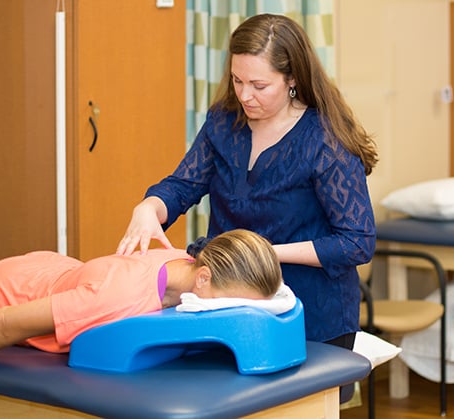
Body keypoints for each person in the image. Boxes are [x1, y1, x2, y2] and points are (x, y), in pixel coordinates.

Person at [117, 13, 377, 357]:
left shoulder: (325, 142)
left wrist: (264, 253)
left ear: (293, 80)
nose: (244, 95)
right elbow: (182, 186)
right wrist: (150, 207)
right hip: (227, 305)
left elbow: (356, 242)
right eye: (238, 81)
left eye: (259, 86)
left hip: (310, 313)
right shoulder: (224, 123)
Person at [0, 229, 282, 366]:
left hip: (38, 272)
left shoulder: (184, 259)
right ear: (205, 279)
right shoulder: (115, 299)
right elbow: (7, 324)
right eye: (235, 302)